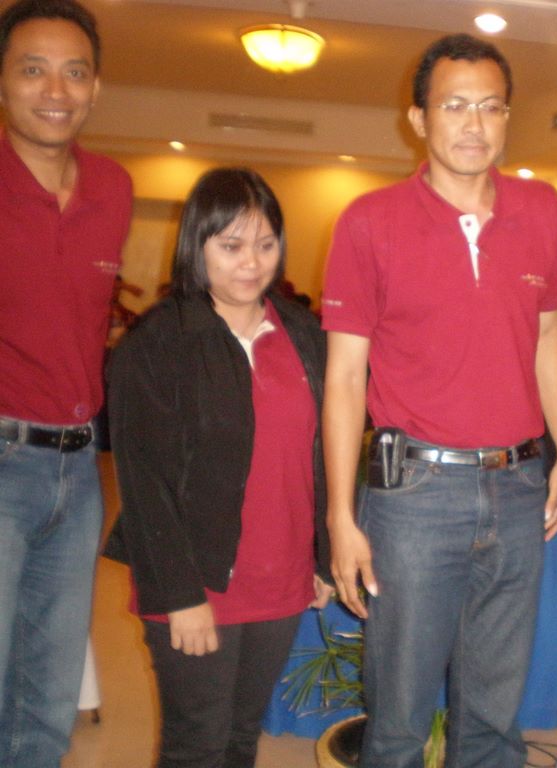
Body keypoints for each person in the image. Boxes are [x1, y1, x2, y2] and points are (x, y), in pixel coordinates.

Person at [320, 33, 557, 768]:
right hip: (415, 496)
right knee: (399, 717)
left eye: (491, 107)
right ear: (419, 119)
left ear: (507, 117)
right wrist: (340, 515)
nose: (474, 124)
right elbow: (344, 379)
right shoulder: (370, 220)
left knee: (494, 715)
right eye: (454, 106)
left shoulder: (543, 208)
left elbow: (548, 340)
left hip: (520, 485)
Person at [105, 168, 334, 768]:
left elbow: (322, 454)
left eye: (265, 244)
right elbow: (144, 483)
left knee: (240, 737)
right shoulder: (157, 344)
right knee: (197, 745)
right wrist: (179, 595)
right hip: (197, 581)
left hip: (282, 577)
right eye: (231, 246)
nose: (251, 263)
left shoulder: (305, 334)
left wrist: (322, 555)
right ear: (196, 245)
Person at [0, 1, 132, 764]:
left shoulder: (113, 188)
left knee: (49, 693)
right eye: (33, 69)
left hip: (80, 471)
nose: (56, 90)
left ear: (95, 88)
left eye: (74, 72)